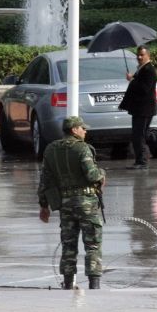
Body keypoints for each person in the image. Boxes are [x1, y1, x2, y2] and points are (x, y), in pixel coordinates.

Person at [38, 116, 106, 290]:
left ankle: (68, 283)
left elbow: (45, 179)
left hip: (65, 203)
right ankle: (94, 284)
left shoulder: (51, 149)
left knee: (68, 244)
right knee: (92, 244)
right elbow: (92, 175)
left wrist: (43, 205)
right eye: (82, 128)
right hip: (86, 203)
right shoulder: (82, 149)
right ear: (74, 130)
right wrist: (102, 173)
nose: (85, 131)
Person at [119, 45, 157, 169]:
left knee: (138, 135)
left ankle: (141, 162)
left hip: (144, 108)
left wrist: (132, 80)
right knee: (142, 134)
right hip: (139, 108)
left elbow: (144, 89)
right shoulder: (142, 69)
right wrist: (134, 78)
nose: (139, 57)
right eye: (138, 55)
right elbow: (140, 83)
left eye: (142, 55)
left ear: (148, 56)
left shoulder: (149, 70)